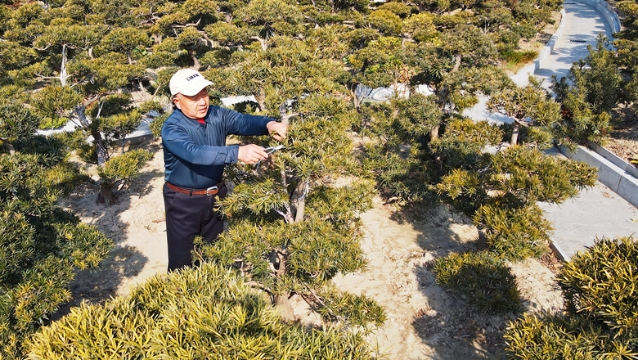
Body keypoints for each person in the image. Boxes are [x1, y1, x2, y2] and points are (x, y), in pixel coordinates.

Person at [161, 68, 287, 271]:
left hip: (216, 197)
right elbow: (195, 153)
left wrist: (269, 123)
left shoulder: (217, 114)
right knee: (182, 264)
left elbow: (243, 121)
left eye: (204, 93)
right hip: (184, 203)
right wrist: (237, 153)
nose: (202, 101)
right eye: (193, 97)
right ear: (177, 101)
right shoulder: (172, 128)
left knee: (214, 256)